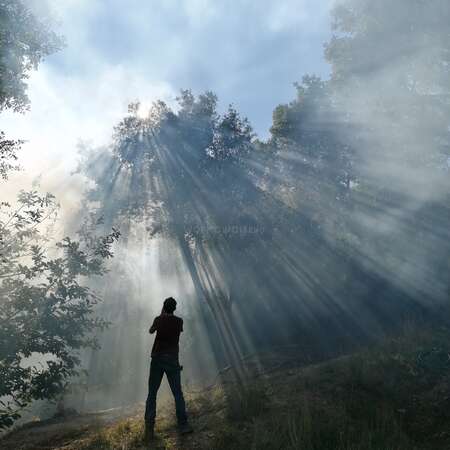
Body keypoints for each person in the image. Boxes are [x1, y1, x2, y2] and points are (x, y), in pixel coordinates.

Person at [144, 297, 192, 441]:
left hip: (158, 359)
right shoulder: (179, 321)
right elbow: (176, 332)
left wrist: (161, 315)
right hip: (172, 360)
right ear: (174, 308)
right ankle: (183, 425)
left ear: (164, 307)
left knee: (152, 393)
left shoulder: (158, 319)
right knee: (177, 393)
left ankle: (149, 430)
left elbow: (150, 331)